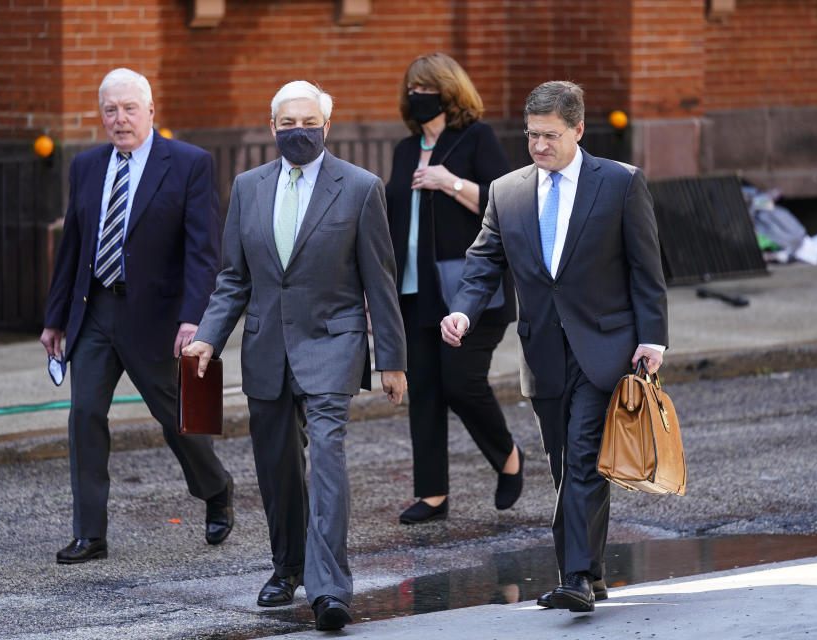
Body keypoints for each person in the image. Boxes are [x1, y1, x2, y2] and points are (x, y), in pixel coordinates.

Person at [183, 80, 407, 631]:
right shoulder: (249, 186)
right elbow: (234, 277)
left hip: (333, 340)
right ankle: (287, 568)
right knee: (278, 466)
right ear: (272, 125)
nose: (298, 132)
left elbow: (380, 282)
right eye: (288, 124)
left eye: (309, 123)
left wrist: (392, 359)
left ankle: (330, 589)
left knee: (327, 459)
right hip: (266, 347)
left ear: (327, 127)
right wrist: (210, 336)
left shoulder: (359, 188)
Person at [441, 81, 668, 613]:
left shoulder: (619, 183)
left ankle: (577, 578)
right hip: (541, 349)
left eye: (550, 135)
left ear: (578, 130)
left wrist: (653, 338)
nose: (539, 145)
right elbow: (483, 262)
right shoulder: (507, 190)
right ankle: (595, 572)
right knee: (568, 463)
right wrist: (462, 311)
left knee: (586, 455)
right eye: (531, 135)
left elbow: (646, 268)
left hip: (606, 346)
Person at [40, 68, 234, 565]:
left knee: (174, 417)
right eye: (110, 109)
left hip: (158, 316)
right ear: (100, 114)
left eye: (130, 108)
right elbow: (74, 248)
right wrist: (55, 317)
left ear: (151, 111)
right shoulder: (85, 165)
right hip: (96, 308)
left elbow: (203, 249)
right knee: (84, 415)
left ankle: (216, 488)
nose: (120, 119)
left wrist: (195, 318)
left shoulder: (189, 163)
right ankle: (90, 534)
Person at [385, 52, 520, 525]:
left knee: (461, 383)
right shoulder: (404, 151)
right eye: (412, 92)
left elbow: (507, 201)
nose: (417, 98)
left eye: (427, 91)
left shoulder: (475, 139)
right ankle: (432, 495)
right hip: (413, 290)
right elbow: (392, 218)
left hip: (470, 291)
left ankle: (507, 456)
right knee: (423, 388)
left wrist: (451, 182)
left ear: (449, 92)